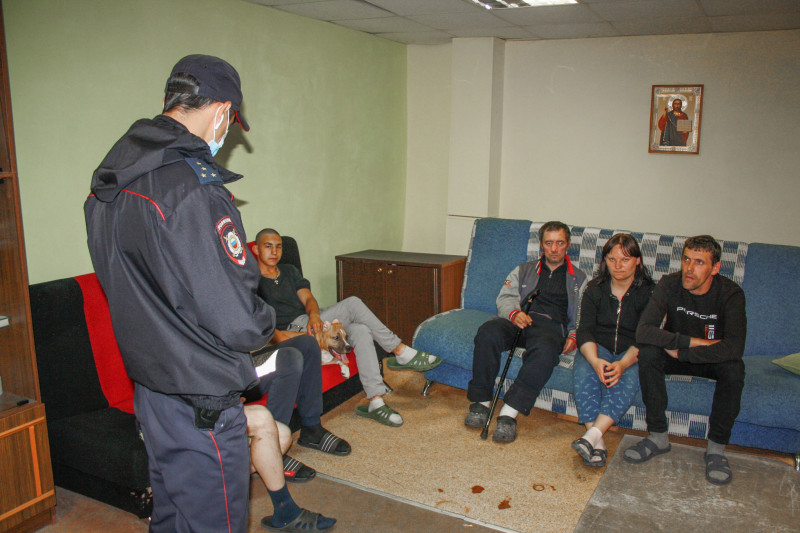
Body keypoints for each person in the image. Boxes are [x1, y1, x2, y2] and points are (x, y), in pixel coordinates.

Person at [85, 55, 334, 532]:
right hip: (201, 394)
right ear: (221, 110)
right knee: (215, 521)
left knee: (171, 514)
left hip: (151, 388)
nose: (228, 132)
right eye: (231, 121)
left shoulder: (109, 186)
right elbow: (238, 320)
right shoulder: (194, 190)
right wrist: (266, 320)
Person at [254, 228, 441, 427]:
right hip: (293, 330)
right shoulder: (252, 281)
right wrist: (290, 335)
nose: (274, 252)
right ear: (256, 250)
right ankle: (400, 350)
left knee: (360, 330)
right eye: (268, 247)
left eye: (278, 247)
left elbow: (308, 298)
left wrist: (314, 315)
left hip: (312, 319)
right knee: (352, 303)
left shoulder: (289, 270)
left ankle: (376, 401)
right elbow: (262, 325)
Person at [624, 235, 746, 486]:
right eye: (686, 259)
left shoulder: (731, 293)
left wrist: (685, 353)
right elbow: (643, 331)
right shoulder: (670, 284)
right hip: (676, 353)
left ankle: (716, 450)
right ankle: (658, 436)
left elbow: (734, 348)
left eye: (699, 262)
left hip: (710, 359)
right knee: (648, 352)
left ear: (715, 268)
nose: (689, 268)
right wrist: (689, 343)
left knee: (734, 369)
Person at [465, 221, 588, 443]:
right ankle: (481, 402)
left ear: (568, 244)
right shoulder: (523, 270)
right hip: (519, 320)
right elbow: (505, 297)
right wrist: (514, 313)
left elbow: (583, 313)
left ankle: (509, 413)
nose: (554, 249)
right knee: (487, 332)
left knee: (546, 351)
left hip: (551, 328)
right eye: (549, 243)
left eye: (560, 243)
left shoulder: (579, 279)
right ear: (541, 245)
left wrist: (574, 334)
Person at [570, 234, 654, 467]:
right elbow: (585, 330)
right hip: (599, 346)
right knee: (584, 369)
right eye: (612, 259)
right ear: (604, 261)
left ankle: (592, 437)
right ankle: (596, 441)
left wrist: (623, 364)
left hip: (632, 352)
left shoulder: (650, 293)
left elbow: (646, 337)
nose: (618, 266)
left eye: (625, 260)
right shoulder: (594, 289)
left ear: (637, 260)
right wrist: (595, 360)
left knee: (629, 378)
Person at [247, 333, 351, 482]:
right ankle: (271, 449)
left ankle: (311, 428)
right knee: (289, 359)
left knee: (308, 343)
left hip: (245, 357)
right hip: (227, 372)